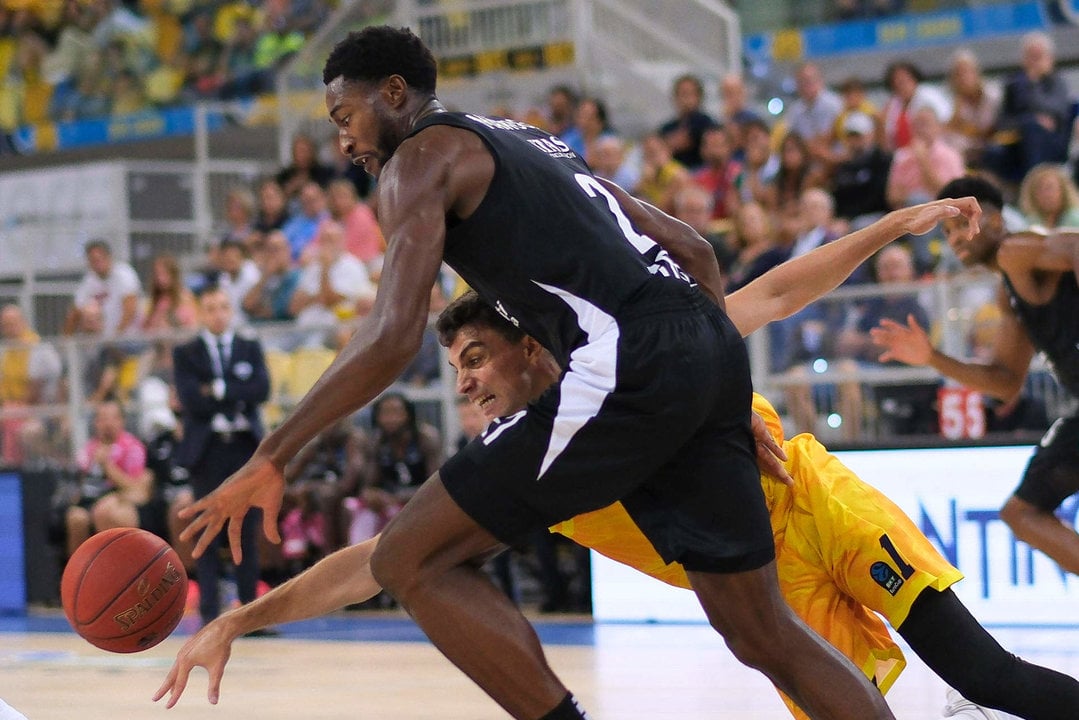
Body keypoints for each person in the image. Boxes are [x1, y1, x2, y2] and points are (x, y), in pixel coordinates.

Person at [173, 26, 981, 720]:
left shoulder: (417, 160)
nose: (342, 141)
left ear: (393, 93)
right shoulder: (527, 138)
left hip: (627, 354)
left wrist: (272, 455)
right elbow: (695, 251)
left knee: (410, 560)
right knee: (760, 629)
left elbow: (390, 338)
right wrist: (719, 402)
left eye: (344, 117)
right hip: (697, 337)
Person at [161, 278, 1079, 719]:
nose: (465, 383)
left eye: (476, 358)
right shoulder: (517, 461)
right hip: (770, 592)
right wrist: (242, 617)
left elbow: (773, 292)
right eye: (456, 369)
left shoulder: (633, 371)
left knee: (984, 674)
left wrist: (893, 227)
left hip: (818, 510)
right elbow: (375, 562)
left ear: (534, 349)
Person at [871, 175, 1079, 577]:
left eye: (959, 225)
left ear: (996, 218)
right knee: (1022, 514)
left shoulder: (1016, 250)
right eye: (946, 232)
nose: (953, 239)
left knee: (1024, 514)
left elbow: (1074, 244)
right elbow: (1005, 381)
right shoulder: (1010, 289)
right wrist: (932, 357)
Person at [172, 285, 270, 624]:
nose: (218, 314)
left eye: (223, 307)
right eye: (211, 308)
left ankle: (248, 615)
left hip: (244, 447)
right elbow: (191, 400)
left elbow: (261, 390)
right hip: (208, 450)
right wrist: (234, 393)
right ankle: (210, 614)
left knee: (246, 531)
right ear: (201, 312)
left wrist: (218, 388)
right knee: (209, 533)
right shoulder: (186, 352)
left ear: (231, 311)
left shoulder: (249, 346)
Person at [64, 400, 150, 560]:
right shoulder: (89, 448)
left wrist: (107, 466)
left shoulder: (132, 447)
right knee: (76, 518)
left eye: (113, 418)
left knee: (106, 512)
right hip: (88, 501)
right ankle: (78, 573)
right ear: (96, 423)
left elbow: (136, 487)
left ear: (122, 421)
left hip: (116, 500)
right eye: (102, 419)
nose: (107, 424)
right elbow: (78, 480)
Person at [62, 239, 143, 338]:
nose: (97, 264)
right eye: (93, 260)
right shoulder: (89, 280)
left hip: (128, 339)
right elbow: (75, 312)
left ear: (109, 257)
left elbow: (130, 309)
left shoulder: (124, 275)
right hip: (102, 341)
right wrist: (65, 342)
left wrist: (115, 337)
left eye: (100, 259)